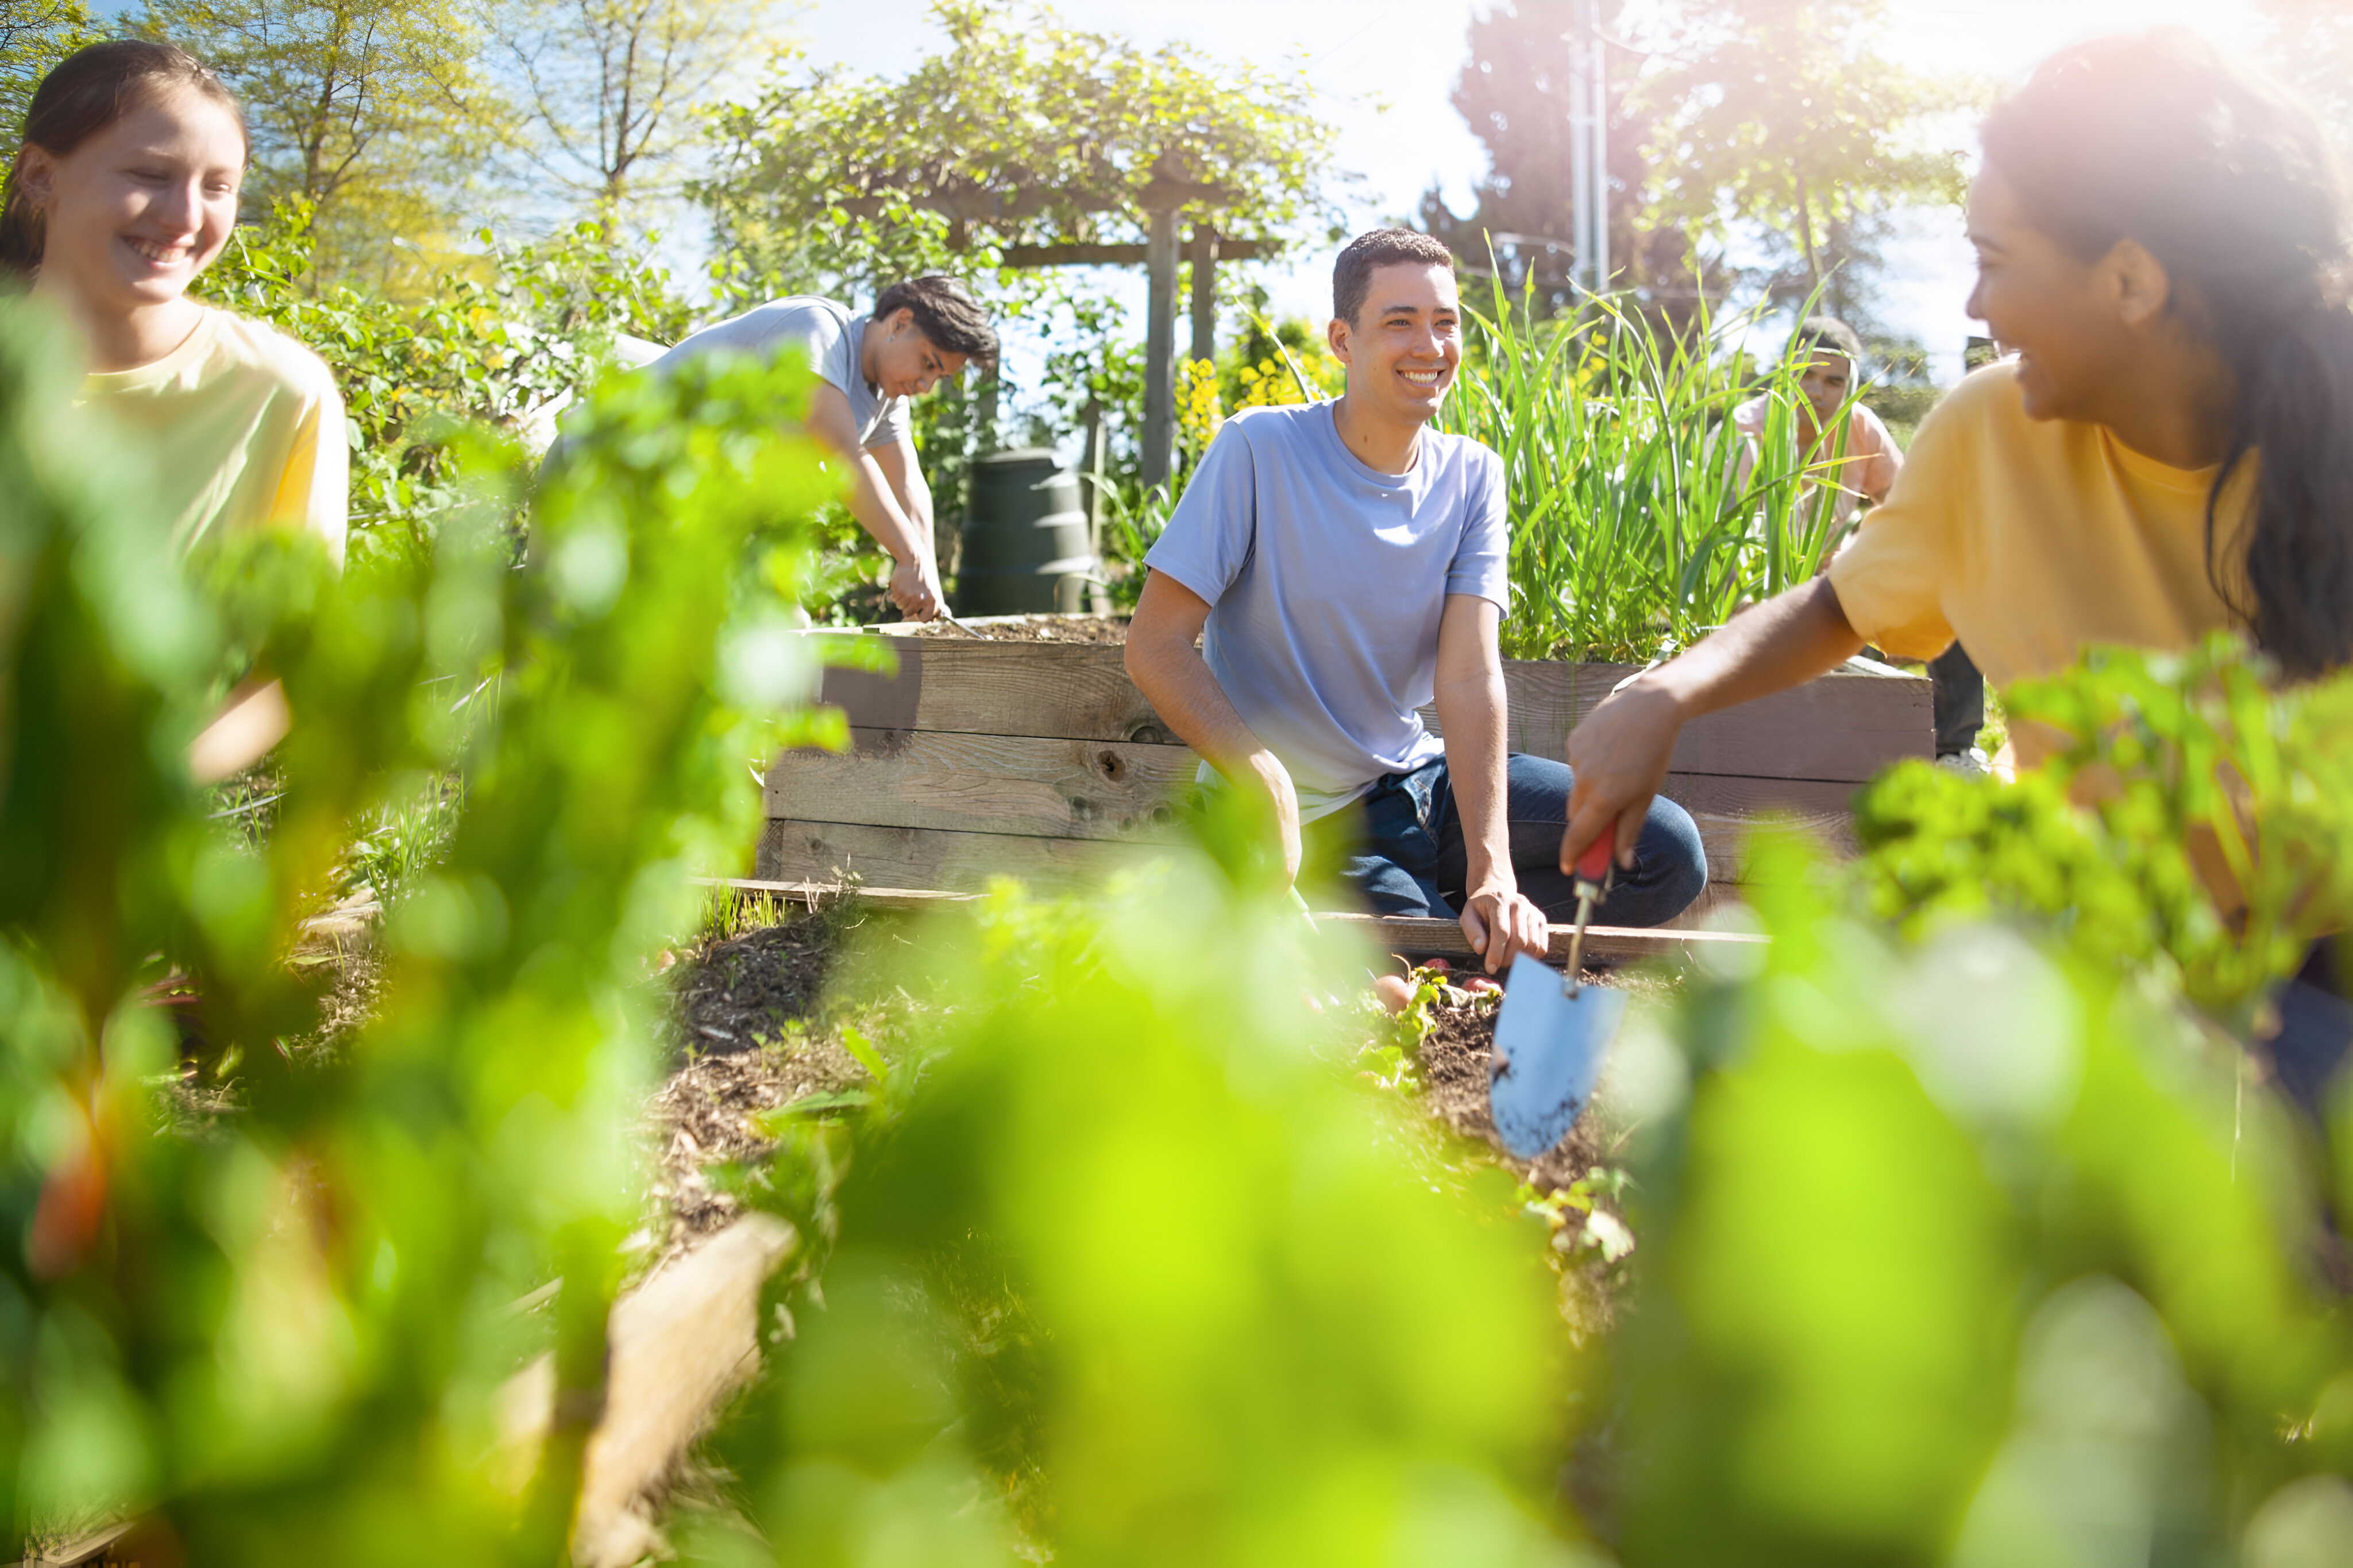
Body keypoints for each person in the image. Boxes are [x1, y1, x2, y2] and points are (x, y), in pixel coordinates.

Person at [1559, 31, 2353, 1104]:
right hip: (2115, 957)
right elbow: (1841, 604)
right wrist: (1664, 695)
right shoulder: (1991, 436)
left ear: (2129, 279)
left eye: (1994, 262)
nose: (1975, 310)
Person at [1125, 229, 1707, 975]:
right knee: (1417, 980)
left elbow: (1467, 677)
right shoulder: (1258, 450)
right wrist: (1264, 776)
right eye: (1399, 321)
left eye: (1445, 321)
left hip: (1421, 780)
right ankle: (1432, 947)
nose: (1429, 345)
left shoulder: (1472, 476)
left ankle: (1465, 930)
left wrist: (1493, 869)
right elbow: (1155, 644)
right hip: (1319, 817)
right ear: (1344, 339)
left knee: (1662, 852)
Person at [1, 40, 346, 568]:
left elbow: (299, 643)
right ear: (40, 175)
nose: (185, 217)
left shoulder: (279, 394)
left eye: (218, 187)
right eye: (150, 175)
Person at [645, 281, 997, 623]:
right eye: (928, 363)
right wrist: (909, 557)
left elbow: (907, 483)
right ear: (900, 322)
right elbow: (842, 453)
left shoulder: (888, 398)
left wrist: (928, 580)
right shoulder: (817, 330)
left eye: (939, 377)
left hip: (691, 500)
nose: (926, 386)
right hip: (626, 465)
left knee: (786, 628)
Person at [1735, 315, 1991, 770]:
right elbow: (1725, 548)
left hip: (1842, 592)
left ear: (1850, 383)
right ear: (1783, 371)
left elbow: (1911, 511)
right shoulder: (1744, 433)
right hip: (1755, 602)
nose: (1817, 391)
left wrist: (1866, 555)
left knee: (1954, 584)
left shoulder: (1859, 426)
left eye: (1834, 381)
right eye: (1805, 375)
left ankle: (1954, 752)